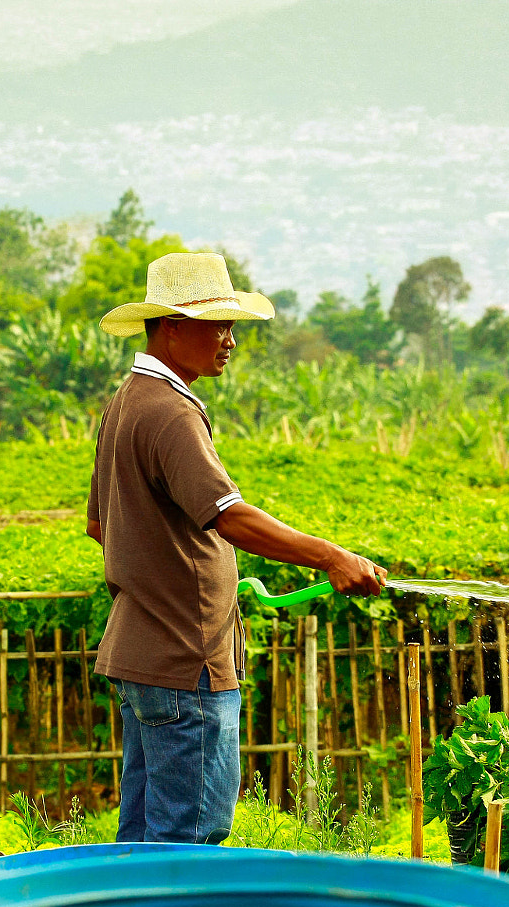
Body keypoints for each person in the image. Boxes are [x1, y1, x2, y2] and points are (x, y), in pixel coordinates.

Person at [86, 251, 386, 845]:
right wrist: (330, 556)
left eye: (231, 326)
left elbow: (102, 525)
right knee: (190, 837)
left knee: (145, 837)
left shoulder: (126, 401)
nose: (229, 340)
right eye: (216, 324)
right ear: (172, 327)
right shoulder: (171, 413)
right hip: (184, 659)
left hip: (144, 653)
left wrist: (177, 566)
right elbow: (231, 518)